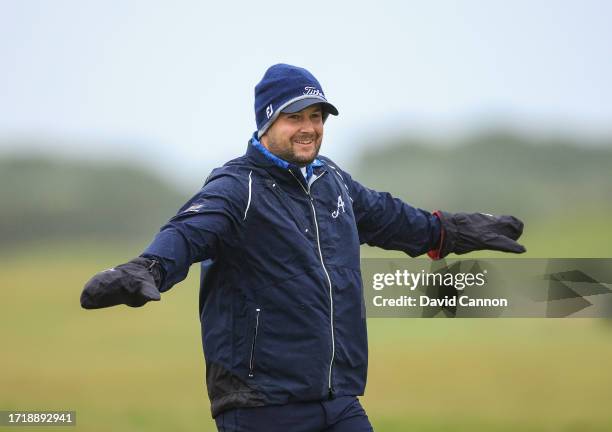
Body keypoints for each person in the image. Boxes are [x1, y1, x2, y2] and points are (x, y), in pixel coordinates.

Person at [81, 64, 526, 431]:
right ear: (267, 123)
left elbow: (391, 219)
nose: (310, 129)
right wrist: (149, 267)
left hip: (337, 399)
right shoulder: (238, 187)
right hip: (262, 407)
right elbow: (189, 231)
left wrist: (450, 231)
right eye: (296, 117)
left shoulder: (330, 180)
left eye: (317, 117)